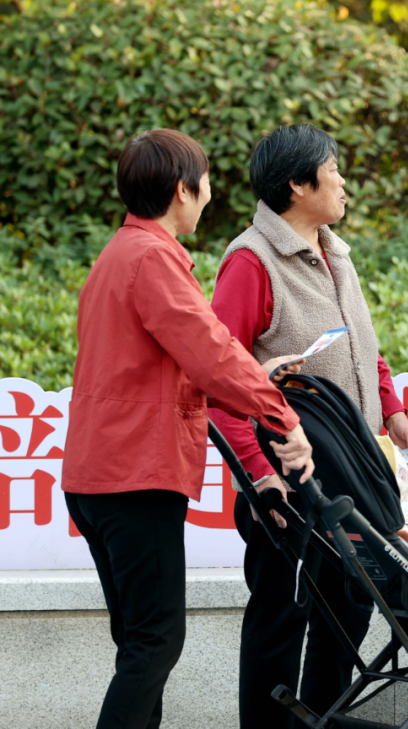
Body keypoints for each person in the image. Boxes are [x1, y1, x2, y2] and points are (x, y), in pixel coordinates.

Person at [63, 129, 314, 729]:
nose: (207, 199)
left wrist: (255, 373)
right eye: (204, 186)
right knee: (155, 644)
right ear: (183, 189)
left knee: (140, 645)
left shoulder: (119, 254)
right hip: (134, 476)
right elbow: (209, 354)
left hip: (99, 474)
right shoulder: (153, 258)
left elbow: (168, 363)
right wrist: (280, 413)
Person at [207, 124, 408, 728]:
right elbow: (222, 377)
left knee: (349, 615)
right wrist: (259, 477)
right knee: (282, 618)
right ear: (299, 185)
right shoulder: (251, 262)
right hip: (286, 482)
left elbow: (366, 351)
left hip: (352, 474)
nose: (344, 182)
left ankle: (326, 722)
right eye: (334, 170)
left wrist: (396, 413)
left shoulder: (335, 253)